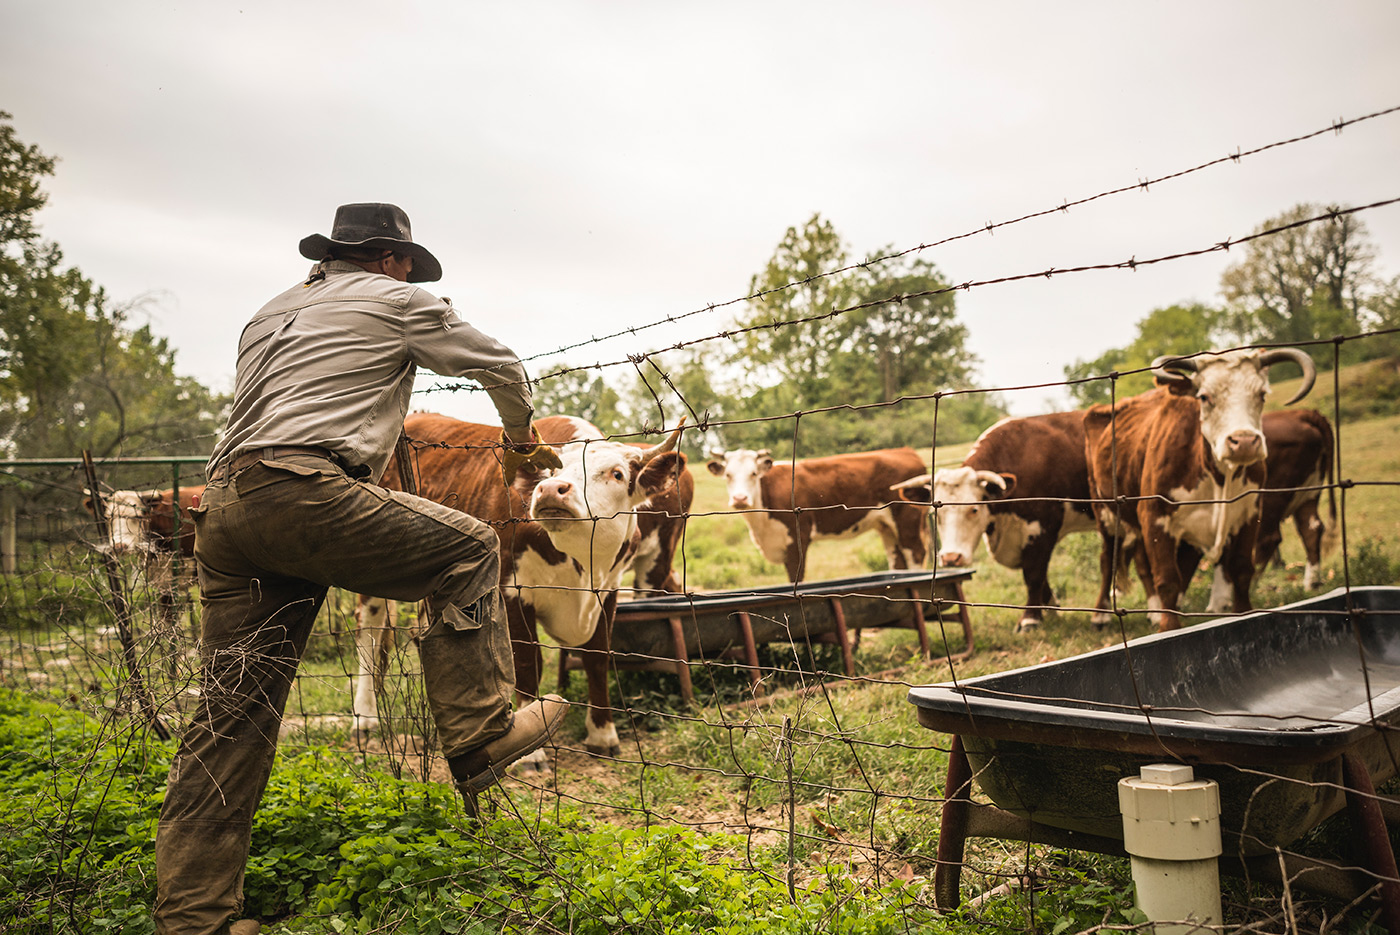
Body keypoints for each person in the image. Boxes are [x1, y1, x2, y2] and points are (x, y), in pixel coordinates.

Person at [154, 203, 567, 935]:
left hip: (224, 511)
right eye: (407, 261)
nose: (410, 272)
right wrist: (516, 439)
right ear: (388, 258)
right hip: (303, 492)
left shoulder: (269, 312)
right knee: (471, 546)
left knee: (229, 719)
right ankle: (478, 737)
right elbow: (499, 363)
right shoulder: (398, 299)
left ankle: (194, 917)